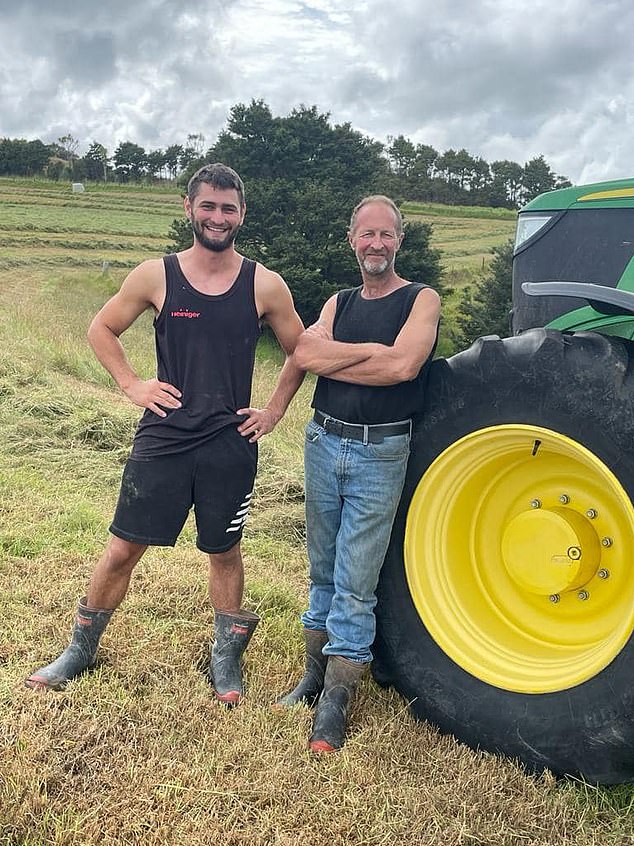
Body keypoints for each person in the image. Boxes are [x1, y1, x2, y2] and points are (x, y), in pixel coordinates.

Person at [26, 162, 305, 705]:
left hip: (229, 443)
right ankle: (80, 650)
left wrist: (272, 411)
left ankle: (224, 659)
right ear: (189, 208)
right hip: (163, 439)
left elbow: (302, 350)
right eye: (208, 206)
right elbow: (101, 328)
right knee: (122, 547)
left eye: (228, 208)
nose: (218, 217)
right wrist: (132, 384)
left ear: (241, 214)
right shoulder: (156, 275)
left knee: (224, 550)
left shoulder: (264, 284)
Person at [277, 195, 441, 751]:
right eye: (366, 234)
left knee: (356, 579)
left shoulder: (422, 299)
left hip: (380, 451)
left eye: (386, 235)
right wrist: (368, 349)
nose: (376, 244)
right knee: (322, 567)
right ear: (352, 239)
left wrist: (338, 355)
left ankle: (337, 699)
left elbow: (403, 365)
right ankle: (314, 676)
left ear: (399, 241)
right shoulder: (339, 300)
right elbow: (302, 352)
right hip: (323, 440)